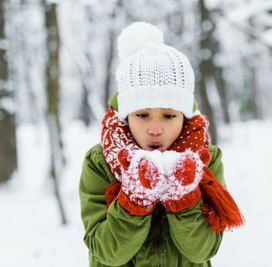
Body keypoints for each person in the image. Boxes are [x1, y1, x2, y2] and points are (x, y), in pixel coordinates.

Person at [79, 21, 243, 267]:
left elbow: (203, 250)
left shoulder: (205, 159)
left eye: (168, 116)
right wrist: (134, 199)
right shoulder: (101, 162)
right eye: (142, 115)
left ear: (185, 116)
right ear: (126, 116)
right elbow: (107, 252)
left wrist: (185, 197)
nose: (155, 129)